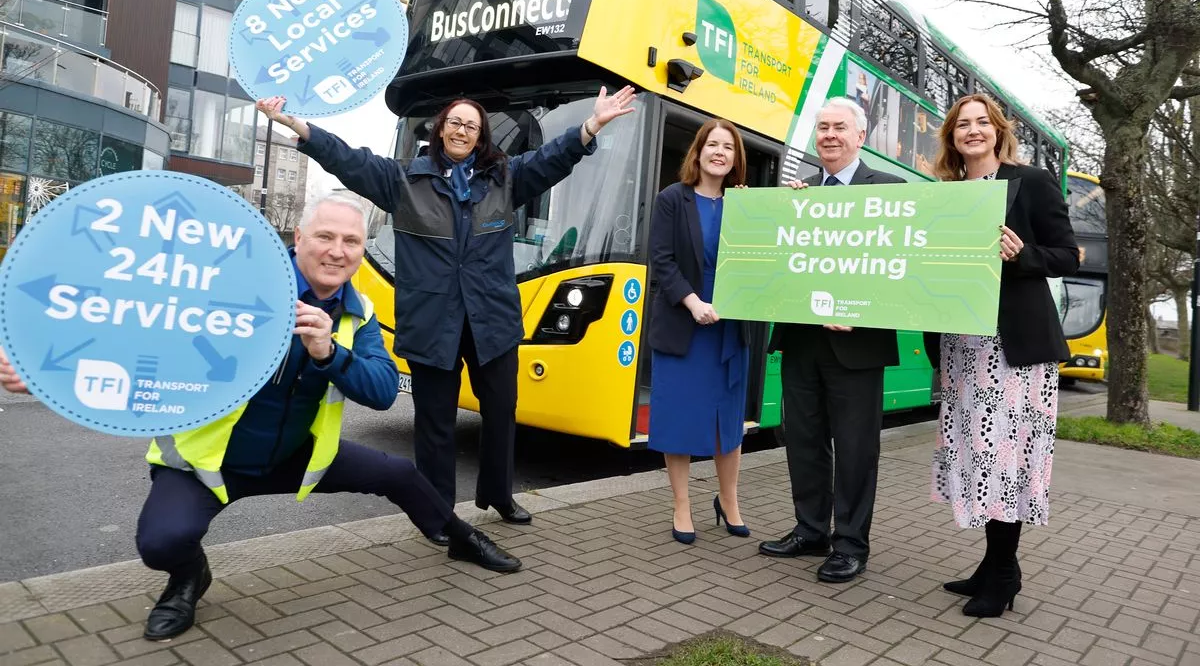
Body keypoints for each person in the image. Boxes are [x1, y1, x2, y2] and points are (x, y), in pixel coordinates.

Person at [0, 194, 522, 642]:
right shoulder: (233, 285)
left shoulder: (358, 313)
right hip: (208, 463)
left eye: (351, 241)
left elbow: (385, 392)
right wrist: (47, 373)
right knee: (160, 542)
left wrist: (328, 352)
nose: (337, 251)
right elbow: (140, 329)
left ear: (362, 252)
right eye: (325, 236)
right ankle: (187, 579)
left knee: (400, 475)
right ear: (298, 238)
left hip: (296, 455)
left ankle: (461, 538)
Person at [256, 87, 636, 538]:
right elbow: (347, 159)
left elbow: (551, 158)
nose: (462, 131)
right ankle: (437, 511)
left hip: (491, 321)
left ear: (480, 136)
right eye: (455, 122)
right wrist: (296, 126)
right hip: (432, 323)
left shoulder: (504, 178)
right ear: (441, 130)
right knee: (434, 423)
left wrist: (592, 125)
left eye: (472, 126)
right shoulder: (402, 180)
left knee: (501, 410)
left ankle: (498, 493)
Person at [926, 94, 1079, 618]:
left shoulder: (1030, 182)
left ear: (997, 131)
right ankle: (991, 566)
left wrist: (1023, 255)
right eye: (962, 125)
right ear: (952, 137)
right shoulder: (947, 194)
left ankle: (1005, 574)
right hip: (962, 345)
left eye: (981, 123)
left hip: (1013, 350)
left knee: (1004, 460)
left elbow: (1067, 254)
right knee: (977, 457)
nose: (972, 131)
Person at [758, 97, 903, 582]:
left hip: (857, 347)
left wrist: (862, 313)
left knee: (856, 450)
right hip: (802, 341)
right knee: (803, 440)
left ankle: (851, 544)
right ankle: (811, 530)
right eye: (823, 128)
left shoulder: (890, 190)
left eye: (840, 127)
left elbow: (900, 270)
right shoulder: (801, 194)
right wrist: (786, 214)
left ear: (860, 136)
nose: (830, 135)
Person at [647, 119, 751, 544]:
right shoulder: (672, 198)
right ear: (699, 150)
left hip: (729, 326)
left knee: (728, 419)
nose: (719, 152)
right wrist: (692, 303)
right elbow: (662, 260)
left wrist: (791, 200)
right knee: (679, 416)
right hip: (683, 322)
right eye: (713, 144)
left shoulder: (745, 204)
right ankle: (681, 505)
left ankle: (729, 500)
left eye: (728, 147)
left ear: (735, 158)